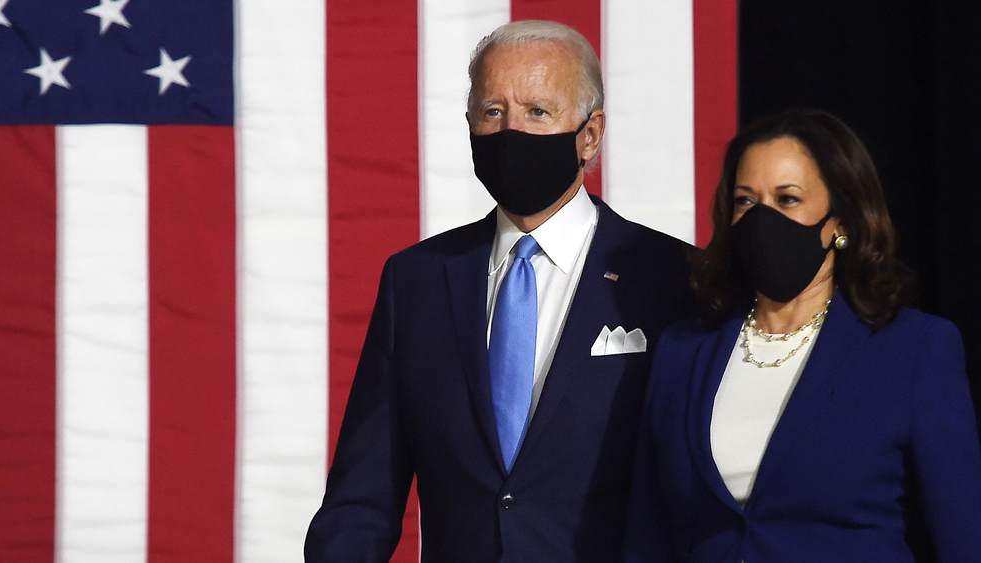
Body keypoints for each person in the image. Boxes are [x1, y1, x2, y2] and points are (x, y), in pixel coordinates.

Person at [304, 20, 695, 563]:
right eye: (493, 112)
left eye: (538, 112)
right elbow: (361, 500)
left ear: (590, 133)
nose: (511, 131)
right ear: (469, 125)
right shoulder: (415, 281)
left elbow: (698, 497)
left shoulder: (672, 279)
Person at [623, 108, 981, 562]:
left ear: (841, 223)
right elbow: (647, 532)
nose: (762, 220)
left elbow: (962, 534)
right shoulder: (683, 350)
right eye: (746, 201)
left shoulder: (914, 349)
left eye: (787, 199)